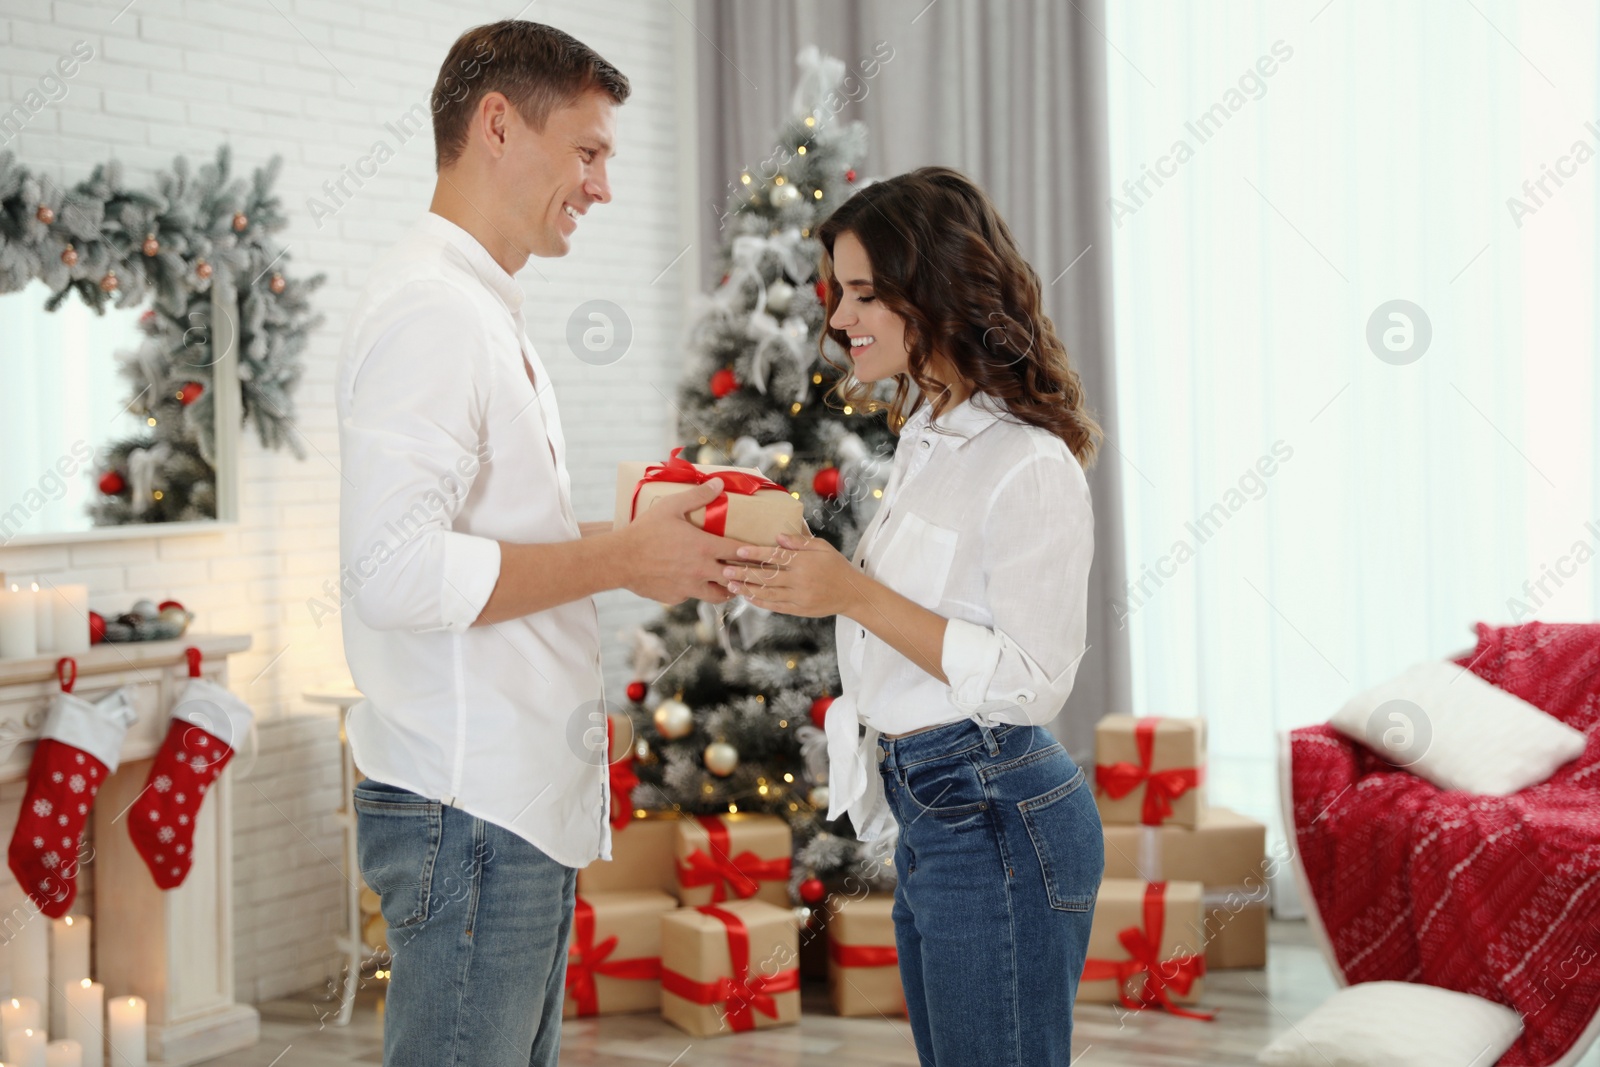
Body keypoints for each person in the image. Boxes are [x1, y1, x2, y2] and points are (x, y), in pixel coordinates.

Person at [334, 21, 746, 1067]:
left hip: (502, 808)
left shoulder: (476, 308)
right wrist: (616, 559)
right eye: (590, 151)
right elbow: (394, 572)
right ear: (498, 126)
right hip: (469, 808)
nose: (601, 185)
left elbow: (485, 544)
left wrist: (642, 541)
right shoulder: (433, 313)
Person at [722, 165, 1106, 1065]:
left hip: (996, 810)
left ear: (930, 290)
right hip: (936, 803)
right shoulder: (928, 435)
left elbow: (1033, 680)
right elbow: (905, 622)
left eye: (862, 293)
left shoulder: (1028, 463)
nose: (838, 320)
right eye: (838, 293)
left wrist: (849, 591)